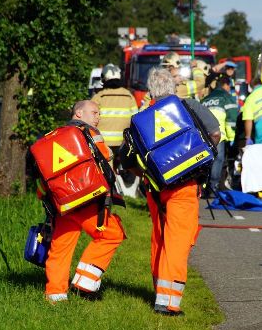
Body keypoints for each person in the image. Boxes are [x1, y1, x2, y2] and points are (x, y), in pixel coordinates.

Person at [138, 67, 220, 316]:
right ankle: (168, 301)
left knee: (160, 237)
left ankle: (158, 288)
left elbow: (128, 156)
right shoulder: (190, 107)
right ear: (173, 88)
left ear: (151, 90)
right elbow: (215, 133)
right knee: (178, 241)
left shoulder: (143, 116)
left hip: (155, 188)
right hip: (184, 186)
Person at [42, 100, 126, 303]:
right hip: (87, 200)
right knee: (112, 234)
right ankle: (85, 282)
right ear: (79, 113)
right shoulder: (91, 133)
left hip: (62, 202)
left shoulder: (54, 135)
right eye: (95, 112)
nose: (98, 117)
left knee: (61, 246)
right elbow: (105, 158)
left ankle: (55, 294)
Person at [92, 63, 138, 161]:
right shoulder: (129, 96)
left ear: (103, 79)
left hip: (103, 142)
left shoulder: (99, 97)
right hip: (124, 142)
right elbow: (136, 118)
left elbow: (90, 120)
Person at [201, 76, 238, 194]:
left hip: (203, 136)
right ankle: (214, 186)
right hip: (217, 135)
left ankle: (205, 186)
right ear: (226, 85)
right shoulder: (226, 97)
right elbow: (231, 118)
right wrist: (232, 137)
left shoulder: (205, 99)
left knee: (207, 161)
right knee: (218, 159)